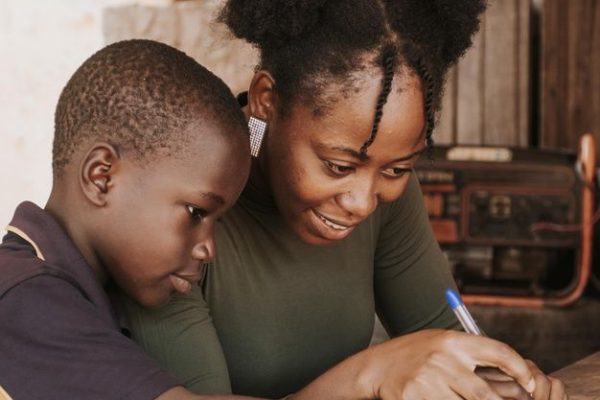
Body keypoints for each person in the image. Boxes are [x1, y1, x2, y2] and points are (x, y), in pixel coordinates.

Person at [124, 2, 567, 400]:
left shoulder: (383, 193)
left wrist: (498, 382)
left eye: (396, 169)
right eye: (338, 166)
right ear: (265, 101)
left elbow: (444, 339)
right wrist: (369, 374)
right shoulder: (181, 213)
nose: (362, 201)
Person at [0, 39, 261, 400]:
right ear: (101, 177)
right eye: (196, 213)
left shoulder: (95, 292)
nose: (208, 248)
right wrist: (358, 382)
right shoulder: (22, 296)